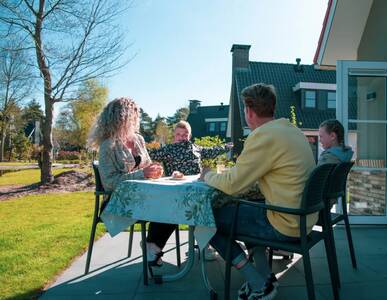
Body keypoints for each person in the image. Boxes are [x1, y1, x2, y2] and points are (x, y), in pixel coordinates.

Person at [199, 83, 316, 300]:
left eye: (244, 109)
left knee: (206, 219)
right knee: (242, 210)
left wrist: (207, 175)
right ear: (272, 107)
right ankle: (264, 273)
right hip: (303, 217)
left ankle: (258, 282)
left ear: (249, 112)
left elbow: (233, 184)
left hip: (286, 223)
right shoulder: (291, 130)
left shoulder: (264, 136)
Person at [145, 120, 232, 263]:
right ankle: (153, 245)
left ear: (189, 136)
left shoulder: (196, 148)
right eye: (179, 134)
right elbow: (150, 154)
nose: (182, 137)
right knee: (175, 208)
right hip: (177, 192)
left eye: (185, 134)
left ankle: (205, 245)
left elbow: (212, 151)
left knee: (210, 205)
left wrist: (227, 147)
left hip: (196, 188)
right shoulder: (168, 149)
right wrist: (136, 152)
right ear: (174, 136)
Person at [88, 97, 164, 193]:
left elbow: (148, 166)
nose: (137, 119)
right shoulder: (107, 146)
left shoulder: (138, 139)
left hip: (144, 194)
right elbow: (109, 184)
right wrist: (142, 174)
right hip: (119, 201)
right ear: (120, 118)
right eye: (133, 115)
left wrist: (154, 171)